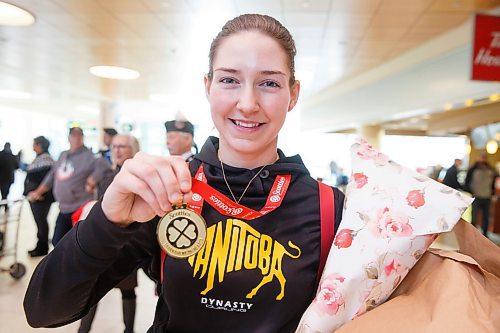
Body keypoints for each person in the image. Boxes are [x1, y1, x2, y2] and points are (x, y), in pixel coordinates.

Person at [24, 14, 344, 333]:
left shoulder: (329, 209)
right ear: (208, 86)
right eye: (229, 79)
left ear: (294, 94)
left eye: (270, 83)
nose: (247, 103)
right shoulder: (167, 190)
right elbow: (43, 311)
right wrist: (107, 220)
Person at [78, 134, 140, 333]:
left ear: (133, 150)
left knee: (128, 290)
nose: (117, 150)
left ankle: (129, 330)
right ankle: (83, 330)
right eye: (114, 146)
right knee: (92, 290)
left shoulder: (137, 178)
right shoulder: (107, 178)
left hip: (129, 244)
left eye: (123, 146)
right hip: (104, 244)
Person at [27, 127, 104, 246]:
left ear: (83, 138)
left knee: (81, 242)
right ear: (69, 138)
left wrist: (92, 179)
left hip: (81, 207)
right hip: (64, 208)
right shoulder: (63, 155)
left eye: (79, 135)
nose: (77, 138)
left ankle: (77, 263)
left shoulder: (90, 155)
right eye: (74, 135)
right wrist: (38, 192)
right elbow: (52, 176)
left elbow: (105, 167)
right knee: (57, 241)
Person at [24, 136, 55, 257]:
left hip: (40, 199)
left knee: (41, 222)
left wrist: (39, 194)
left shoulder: (46, 160)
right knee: (40, 223)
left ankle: (42, 248)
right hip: (35, 198)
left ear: (39, 145)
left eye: (34, 144)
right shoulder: (40, 158)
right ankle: (40, 245)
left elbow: (48, 182)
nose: (33, 146)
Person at [465, 154, 497, 236]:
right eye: (481, 157)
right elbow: (467, 181)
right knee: (474, 216)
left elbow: (494, 181)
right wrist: (471, 191)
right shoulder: (473, 169)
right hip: (477, 196)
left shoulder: (491, 169)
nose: (483, 159)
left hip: (487, 196)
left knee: (486, 217)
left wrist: (492, 192)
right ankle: (471, 234)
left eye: (484, 158)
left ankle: (485, 235)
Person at [0, 142, 20, 208]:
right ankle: (4, 204)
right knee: (6, 192)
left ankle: (4, 203)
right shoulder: (13, 156)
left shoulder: (1, 155)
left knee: (3, 192)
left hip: (2, 178)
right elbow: (17, 166)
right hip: (9, 178)